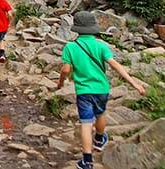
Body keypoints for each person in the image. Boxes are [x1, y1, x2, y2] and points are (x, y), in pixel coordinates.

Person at [56, 11, 147, 169]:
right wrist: (134, 84)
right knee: (101, 114)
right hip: (102, 89)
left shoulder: (70, 47)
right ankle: (99, 139)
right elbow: (115, 65)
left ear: (76, 28)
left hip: (84, 91)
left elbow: (65, 69)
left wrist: (61, 82)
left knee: (85, 123)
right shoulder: (101, 46)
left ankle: (87, 160)